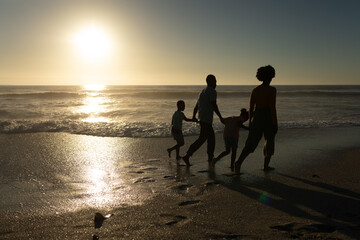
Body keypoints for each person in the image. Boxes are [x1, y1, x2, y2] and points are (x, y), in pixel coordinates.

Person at [234, 65, 278, 174]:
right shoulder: (272, 90)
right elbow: (272, 108)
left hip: (256, 116)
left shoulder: (255, 90)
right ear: (270, 77)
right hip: (267, 116)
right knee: (269, 141)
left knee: (251, 143)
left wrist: (250, 122)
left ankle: (238, 162)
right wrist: (275, 123)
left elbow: (251, 107)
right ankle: (265, 166)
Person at [182, 74, 224, 166]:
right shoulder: (212, 91)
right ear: (211, 82)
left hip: (202, 118)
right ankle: (187, 155)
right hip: (206, 120)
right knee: (203, 139)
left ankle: (210, 157)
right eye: (215, 81)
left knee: (210, 138)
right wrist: (221, 117)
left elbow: (196, 106)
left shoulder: (202, 92)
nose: (216, 83)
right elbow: (214, 105)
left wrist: (194, 116)